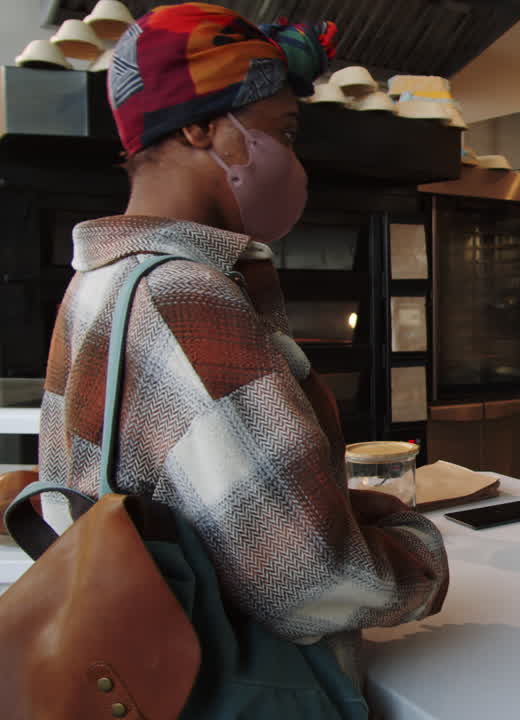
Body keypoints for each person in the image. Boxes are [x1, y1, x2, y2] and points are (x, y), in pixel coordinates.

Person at [38, 3, 448, 685]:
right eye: (283, 131)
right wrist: (418, 552)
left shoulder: (97, 282)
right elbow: (313, 579)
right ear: (201, 126)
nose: (293, 158)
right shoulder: (185, 298)